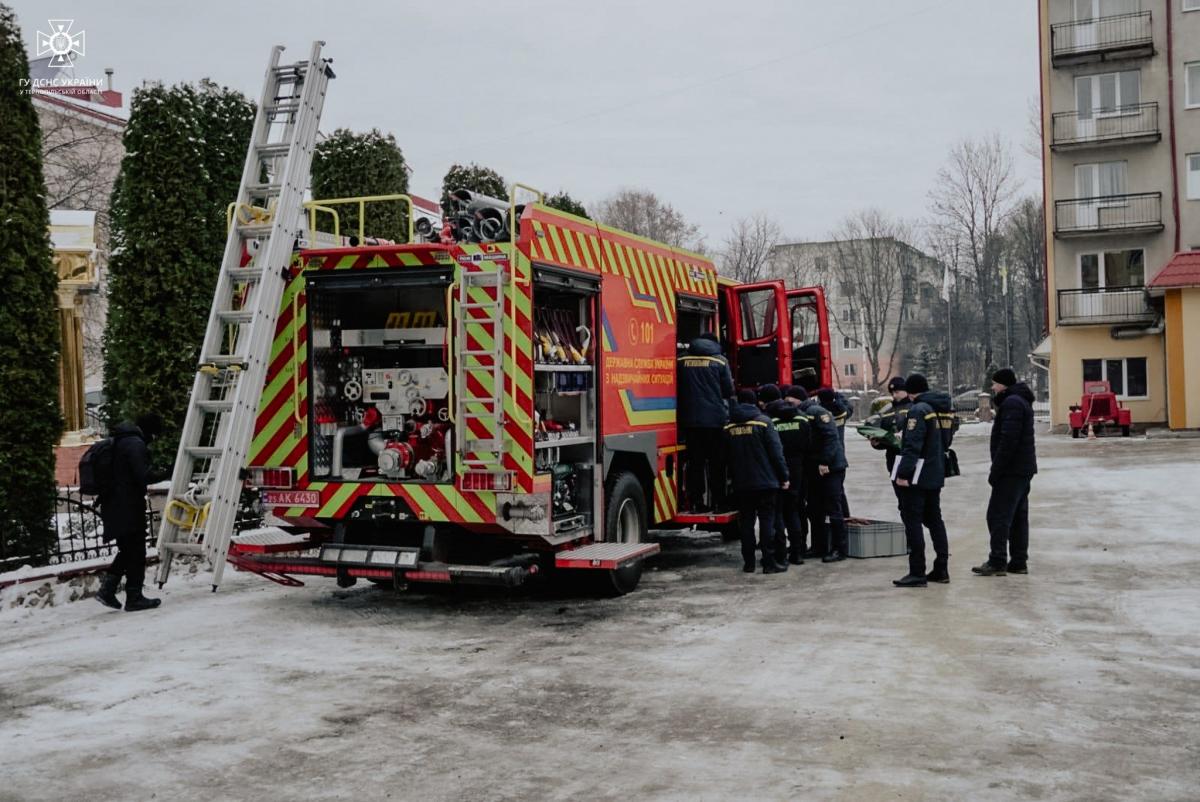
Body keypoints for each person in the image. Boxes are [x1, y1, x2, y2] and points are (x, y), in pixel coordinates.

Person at [96, 413, 165, 612]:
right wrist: (165, 473)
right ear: (150, 432)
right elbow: (142, 475)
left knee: (128, 549)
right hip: (127, 505)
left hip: (115, 503)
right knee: (136, 551)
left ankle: (108, 590)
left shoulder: (122, 441)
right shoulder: (135, 444)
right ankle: (134, 597)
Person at [974, 368, 1037, 577]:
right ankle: (1018, 561)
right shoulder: (1020, 401)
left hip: (1011, 470)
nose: (992, 388)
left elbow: (1008, 441)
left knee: (997, 516)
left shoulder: (1011, 403)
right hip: (1022, 469)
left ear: (1004, 385)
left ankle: (997, 560)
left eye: (995, 384)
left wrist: (996, 470)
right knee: (1018, 516)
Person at [892, 374, 953, 588]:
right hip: (935, 472)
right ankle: (941, 567)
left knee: (913, 521)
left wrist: (903, 473)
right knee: (935, 520)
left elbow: (913, 446)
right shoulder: (941, 408)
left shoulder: (918, 410)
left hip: (918, 476)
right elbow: (944, 440)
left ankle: (917, 571)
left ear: (910, 391)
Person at [725, 389, 789, 574]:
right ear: (755, 403)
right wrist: (784, 476)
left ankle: (749, 563)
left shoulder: (729, 426)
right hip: (766, 482)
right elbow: (777, 454)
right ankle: (768, 563)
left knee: (746, 523)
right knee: (767, 522)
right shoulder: (764, 422)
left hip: (741, 484)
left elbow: (723, 457)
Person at [676, 332, 735, 512]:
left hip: (690, 421)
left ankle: (696, 502)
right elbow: (728, 390)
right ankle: (718, 502)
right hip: (715, 421)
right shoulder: (720, 361)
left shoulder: (681, 361)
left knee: (696, 463)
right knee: (717, 463)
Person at [802, 391, 849, 562]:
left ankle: (839, 549)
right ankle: (819, 546)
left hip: (831, 467)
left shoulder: (816, 412)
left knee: (833, 507)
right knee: (814, 508)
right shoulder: (808, 412)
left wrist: (824, 462)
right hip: (816, 467)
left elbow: (831, 438)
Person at [766, 395, 810, 566]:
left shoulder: (772, 422)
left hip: (778, 470)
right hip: (798, 468)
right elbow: (809, 444)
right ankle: (798, 553)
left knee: (777, 513)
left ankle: (780, 553)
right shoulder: (802, 419)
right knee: (795, 510)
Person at [870, 376, 912, 513]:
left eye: (897, 392)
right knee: (902, 503)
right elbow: (884, 433)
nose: (894, 395)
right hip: (893, 460)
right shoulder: (888, 410)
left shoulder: (913, 407)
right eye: (892, 393)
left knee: (912, 502)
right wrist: (877, 442)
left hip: (910, 459)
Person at [817, 387, 853, 519]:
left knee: (830, 495)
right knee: (839, 492)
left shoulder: (820, 413)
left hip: (825, 457)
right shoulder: (842, 412)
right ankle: (846, 518)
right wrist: (838, 395)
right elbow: (848, 407)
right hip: (839, 455)